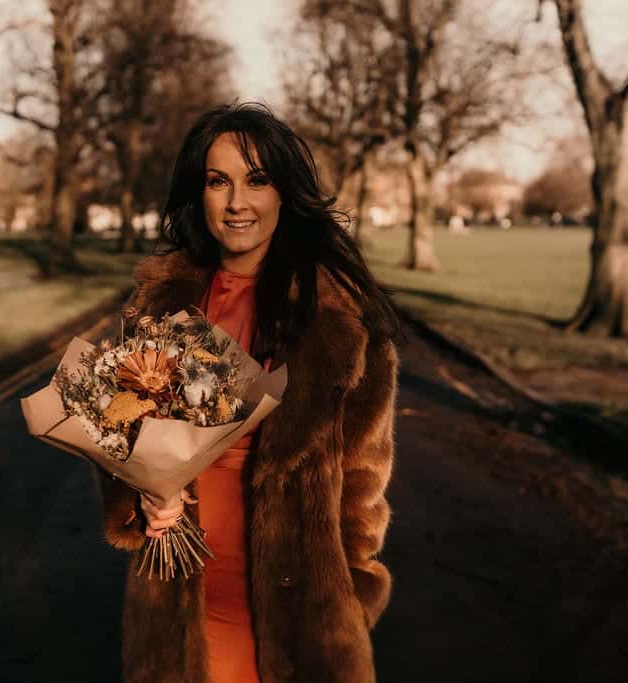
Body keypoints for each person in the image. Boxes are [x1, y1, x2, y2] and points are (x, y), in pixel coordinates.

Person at [97, 102, 401, 683]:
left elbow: (363, 484)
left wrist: (354, 603)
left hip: (303, 624)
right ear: (200, 192)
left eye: (256, 180)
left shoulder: (341, 320)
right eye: (219, 181)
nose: (237, 202)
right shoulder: (160, 308)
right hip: (181, 612)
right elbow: (116, 440)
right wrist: (138, 500)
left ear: (285, 192)